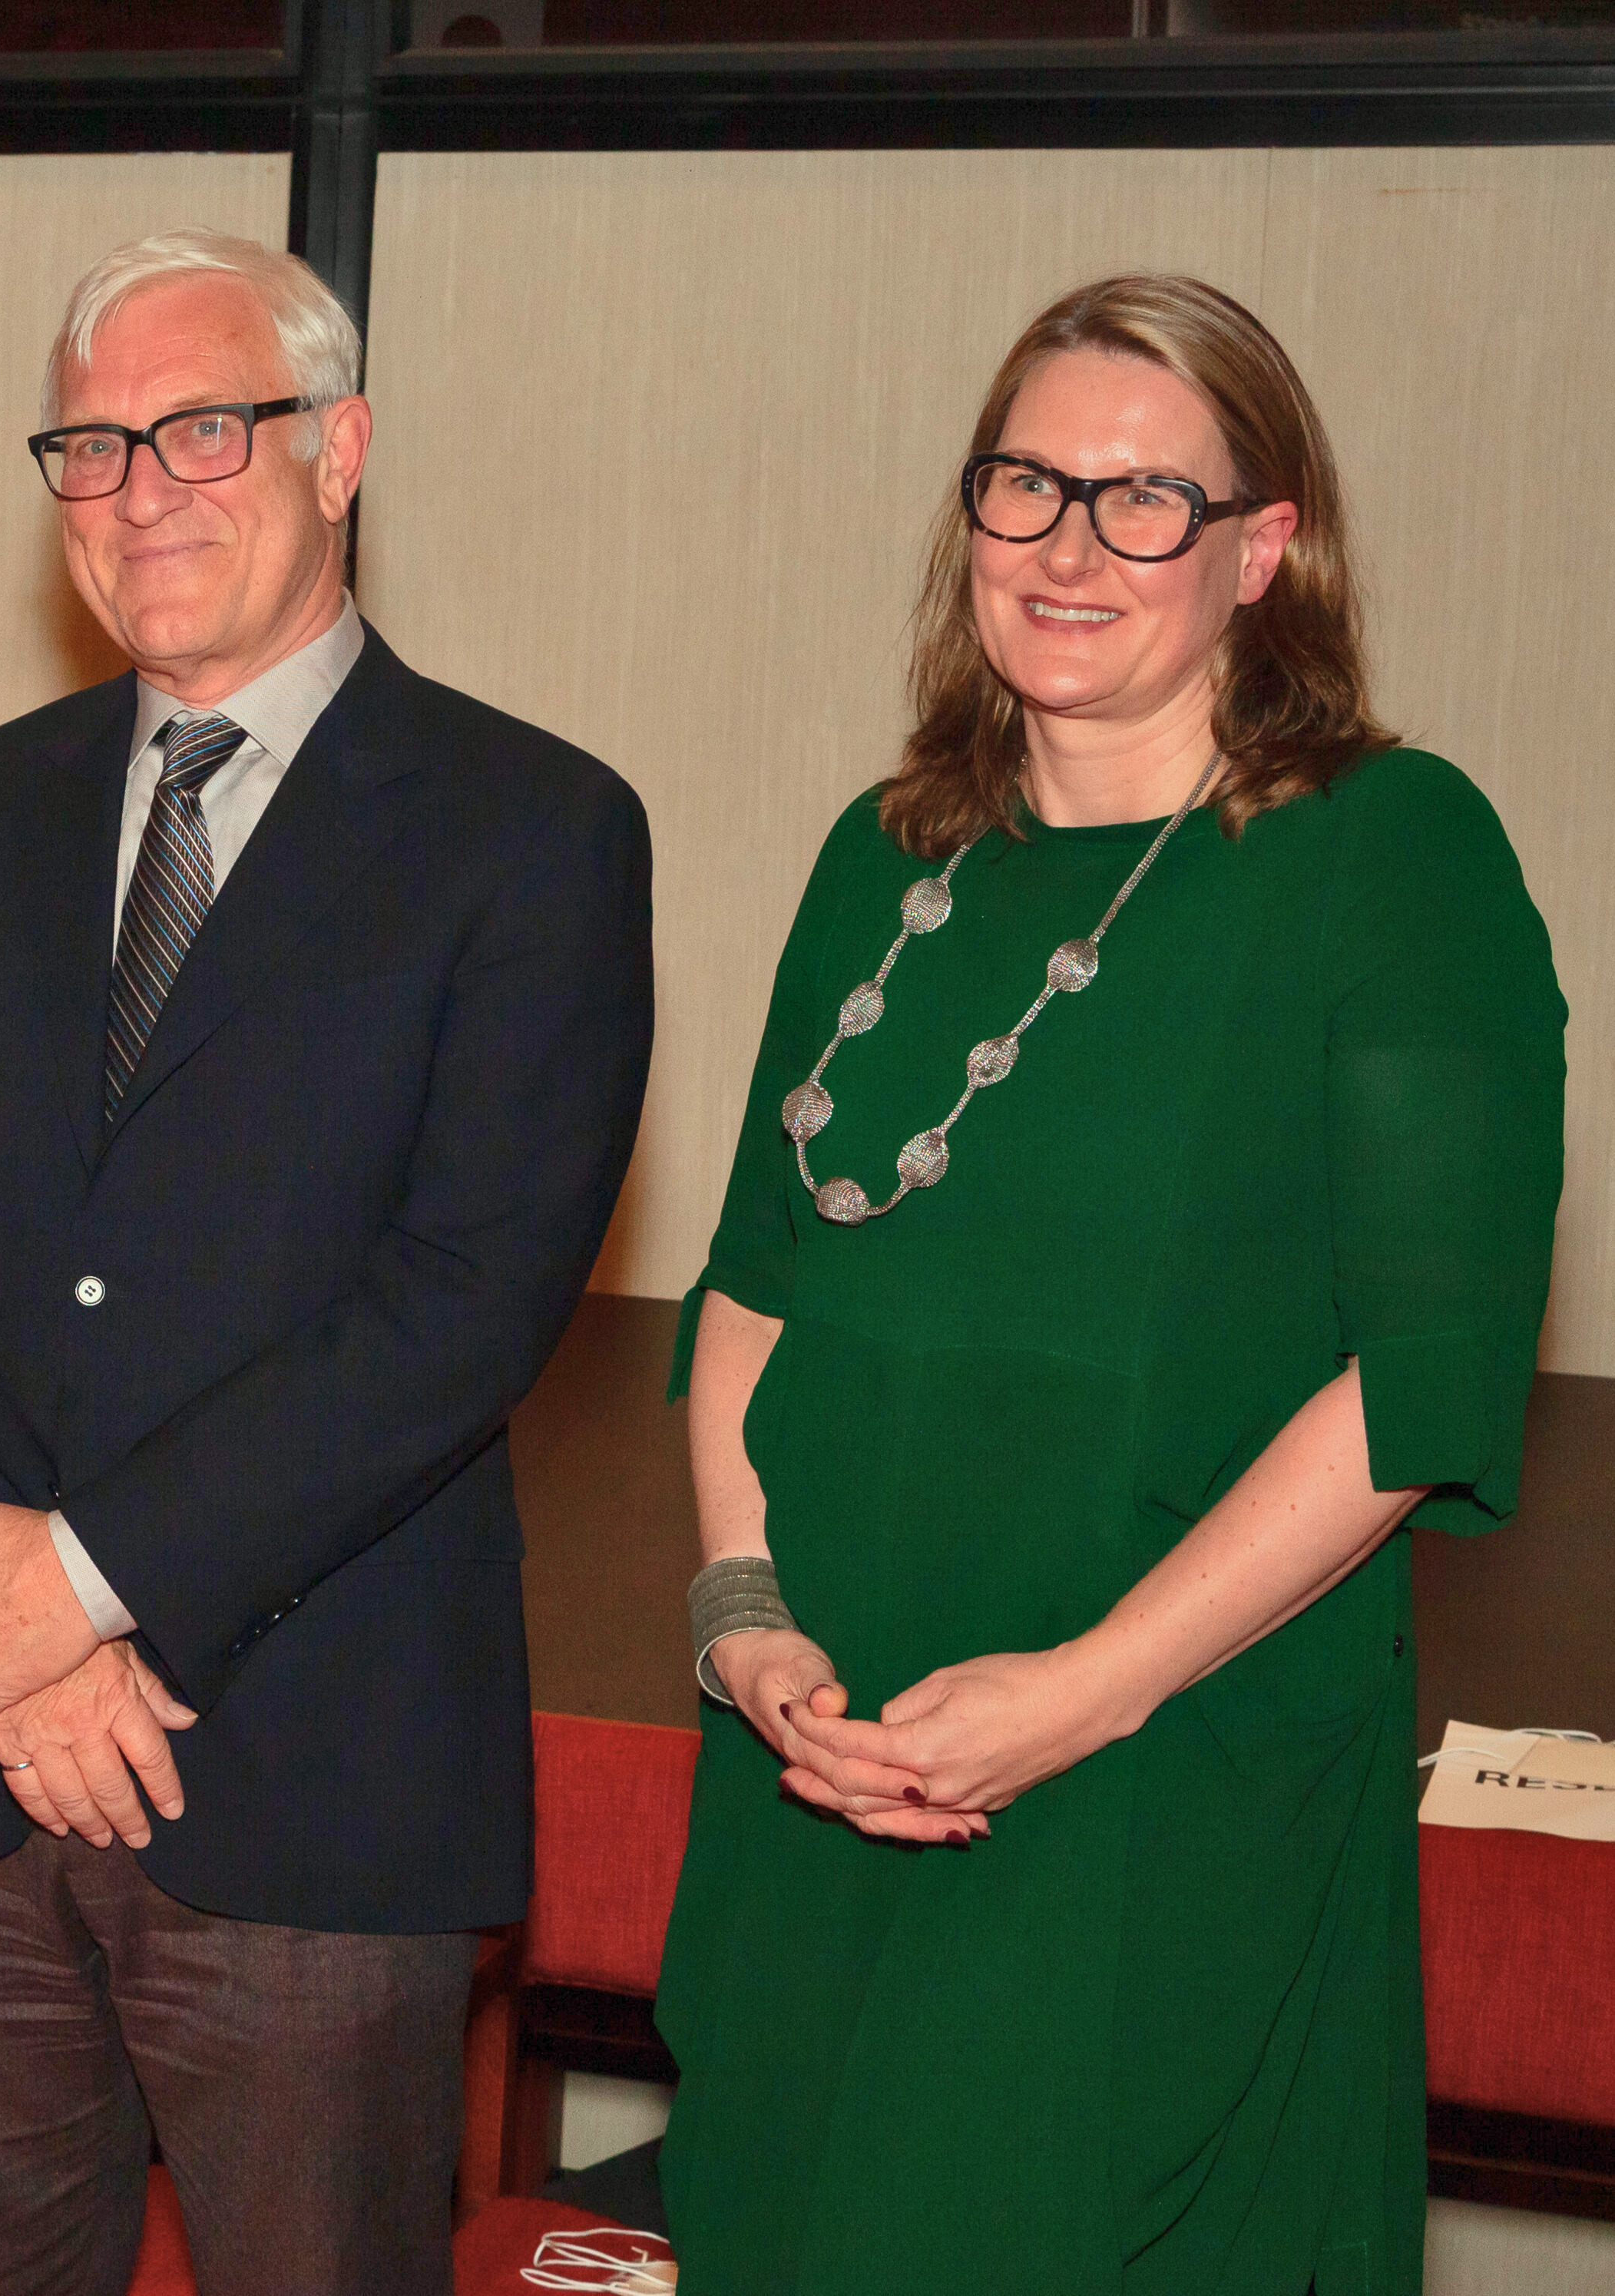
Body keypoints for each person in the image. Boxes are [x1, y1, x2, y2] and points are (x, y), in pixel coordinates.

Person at [656, 273, 1564, 2290]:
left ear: (1264, 547)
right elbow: (745, 1296)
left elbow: (1411, 1384)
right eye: (1024, 485)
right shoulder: (882, 850)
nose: (1066, 547)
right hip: (820, 1773)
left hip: (1158, 1793)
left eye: (1142, 499)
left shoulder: (1393, 854)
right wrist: (744, 1619)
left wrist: (1073, 1698)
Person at [0, 230, 655, 2296]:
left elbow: (463, 1299)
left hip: (305, 1773)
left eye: (200, 427)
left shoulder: (530, 831)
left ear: (335, 448)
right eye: (88, 445)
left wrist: (74, 1588)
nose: (137, 487)